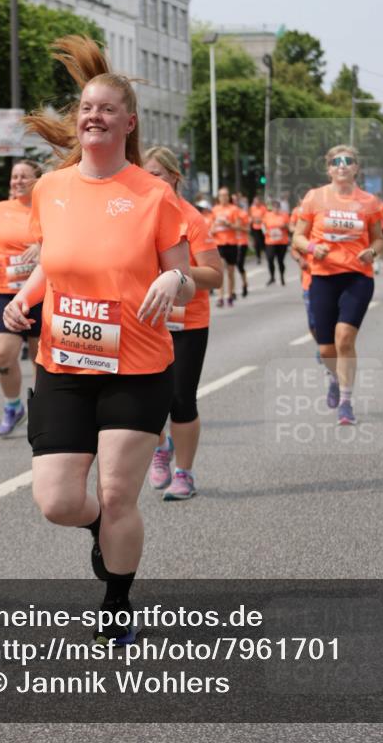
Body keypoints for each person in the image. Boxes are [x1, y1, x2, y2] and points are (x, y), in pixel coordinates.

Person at [3, 36, 194, 645]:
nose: (93, 116)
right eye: (86, 107)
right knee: (58, 500)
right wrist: (24, 296)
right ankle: (99, 535)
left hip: (136, 367)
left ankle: (117, 602)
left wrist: (173, 276)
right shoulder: (50, 190)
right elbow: (57, 259)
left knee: (116, 493)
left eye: (107, 109)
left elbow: (186, 278)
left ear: (128, 122)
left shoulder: (153, 194)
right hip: (63, 362)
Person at [143, 147, 222, 500]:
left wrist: (177, 275)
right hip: (146, 319)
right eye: (145, 174)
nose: (150, 181)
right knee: (146, 399)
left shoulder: (191, 218)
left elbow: (216, 276)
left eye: (157, 174)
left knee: (180, 399)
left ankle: (185, 474)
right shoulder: (136, 215)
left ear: (174, 177)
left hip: (187, 322)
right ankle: (162, 445)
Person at [292, 144, 383, 426]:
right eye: (336, 162)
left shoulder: (369, 202)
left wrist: (373, 251)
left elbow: (378, 238)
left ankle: (346, 402)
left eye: (348, 161)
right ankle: (334, 377)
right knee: (326, 349)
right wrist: (310, 247)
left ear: (356, 167)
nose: (342, 165)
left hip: (357, 276)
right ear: (328, 168)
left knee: (345, 338)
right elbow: (297, 236)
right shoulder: (314, 197)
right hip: (322, 276)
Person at [0, 159, 43, 437]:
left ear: (37, 180)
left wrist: (42, 246)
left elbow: (68, 241)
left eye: (24, 176)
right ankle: (12, 406)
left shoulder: (48, 210)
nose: (17, 181)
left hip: (42, 293)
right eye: (14, 176)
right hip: (5, 292)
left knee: (41, 360)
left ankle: (44, 411)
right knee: (2, 354)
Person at [211, 187, 241, 307]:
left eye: (225, 195)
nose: (223, 197)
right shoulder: (215, 210)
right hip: (219, 244)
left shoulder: (234, 209)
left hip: (231, 243)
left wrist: (228, 224)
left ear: (228, 197)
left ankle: (230, 294)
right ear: (218, 197)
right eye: (221, 195)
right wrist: (212, 230)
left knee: (230, 272)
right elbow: (211, 226)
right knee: (221, 270)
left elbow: (238, 226)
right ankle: (220, 297)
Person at [263, 199, 290, 285]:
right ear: (272, 208)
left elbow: (289, 227)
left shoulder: (284, 215)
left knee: (280, 261)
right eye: (274, 207)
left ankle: (282, 276)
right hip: (270, 242)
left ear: (280, 208)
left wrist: (284, 226)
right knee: (270, 259)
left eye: (277, 207)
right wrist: (265, 232)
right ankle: (272, 277)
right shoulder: (267, 215)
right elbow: (263, 225)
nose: (276, 209)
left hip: (282, 242)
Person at [249, 195, 267, 265]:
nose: (256, 202)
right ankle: (258, 257)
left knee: (262, 241)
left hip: (262, 227)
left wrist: (260, 220)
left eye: (258, 201)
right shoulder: (252, 208)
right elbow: (250, 217)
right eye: (255, 201)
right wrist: (253, 220)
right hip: (255, 227)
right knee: (257, 242)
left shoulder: (263, 208)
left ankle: (266, 252)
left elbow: (266, 216)